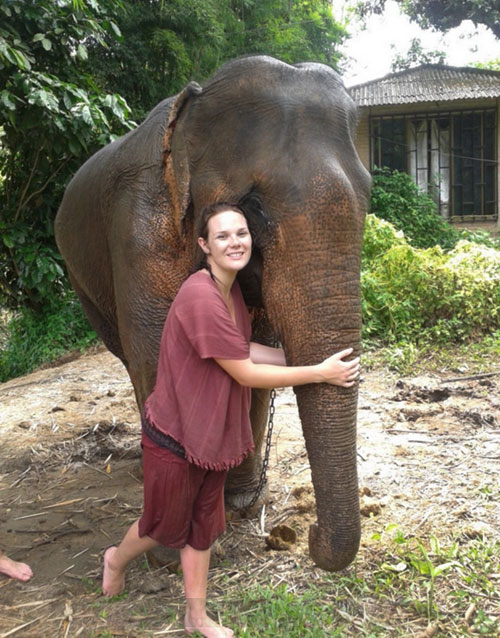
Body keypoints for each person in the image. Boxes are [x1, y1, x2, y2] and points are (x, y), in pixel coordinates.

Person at [102, 203, 360, 637]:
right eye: (222, 236)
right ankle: (116, 558)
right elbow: (244, 372)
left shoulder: (231, 290)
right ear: (204, 246)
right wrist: (318, 373)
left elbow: (242, 347)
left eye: (241, 233)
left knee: (203, 527)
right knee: (162, 526)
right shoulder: (199, 295)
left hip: (212, 435)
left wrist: (305, 357)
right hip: (176, 435)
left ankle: (196, 616)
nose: (235, 242)